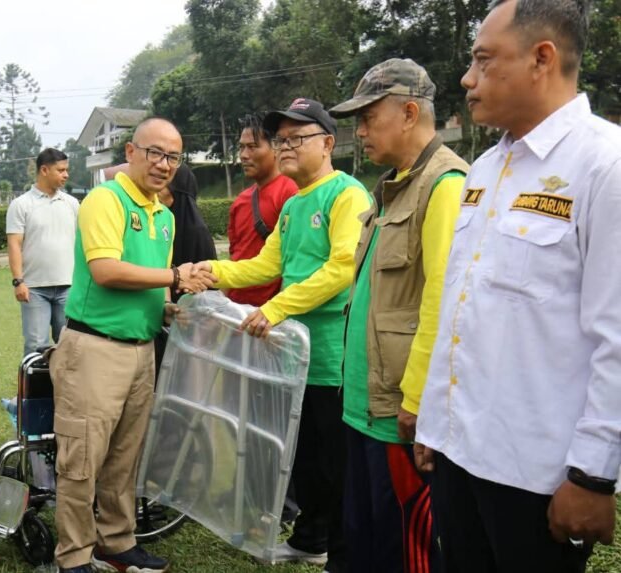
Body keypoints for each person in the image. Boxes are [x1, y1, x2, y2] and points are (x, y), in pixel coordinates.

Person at [414, 1, 621, 572]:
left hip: (536, 474)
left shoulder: (605, 165)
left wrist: (592, 475)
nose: (468, 78)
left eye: (483, 60)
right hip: (459, 453)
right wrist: (436, 421)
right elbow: (462, 304)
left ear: (541, 58)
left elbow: (616, 336)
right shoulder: (485, 169)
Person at [194, 98, 371, 573]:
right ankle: (311, 539)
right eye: (282, 139)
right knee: (305, 455)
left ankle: (339, 549)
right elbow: (265, 265)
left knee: (334, 460)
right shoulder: (293, 205)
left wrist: (276, 308)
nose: (286, 147)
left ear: (328, 143)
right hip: (296, 355)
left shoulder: (347, 194)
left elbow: (343, 268)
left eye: (297, 138)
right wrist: (211, 271)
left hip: (332, 355)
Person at [49, 117, 214, 573]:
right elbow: (106, 270)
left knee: (125, 456)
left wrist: (166, 307)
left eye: (173, 157)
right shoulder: (106, 199)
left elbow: (151, 283)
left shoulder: (164, 216)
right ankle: (74, 555)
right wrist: (176, 276)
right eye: (155, 153)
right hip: (94, 349)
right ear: (130, 152)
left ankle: (116, 541)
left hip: (142, 351)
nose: (164, 165)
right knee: (82, 459)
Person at [329, 59, 468, 573]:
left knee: (402, 547)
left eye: (368, 118)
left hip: (398, 415)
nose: (361, 132)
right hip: (364, 406)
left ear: (409, 113)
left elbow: (444, 301)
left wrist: (417, 399)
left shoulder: (444, 184)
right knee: (363, 537)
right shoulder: (392, 185)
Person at [6, 148, 79, 355]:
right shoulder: (21, 205)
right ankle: (31, 379)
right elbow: (14, 244)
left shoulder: (72, 204)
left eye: (66, 170)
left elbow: (81, 243)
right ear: (44, 170)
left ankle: (62, 380)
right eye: (61, 170)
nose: (66, 175)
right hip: (34, 288)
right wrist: (18, 281)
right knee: (36, 346)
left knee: (68, 345)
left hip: (68, 286)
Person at [226, 112, 297, 306]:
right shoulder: (240, 201)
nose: (244, 155)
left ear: (275, 148)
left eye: (252, 147)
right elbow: (235, 257)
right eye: (241, 147)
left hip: (270, 313)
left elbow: (295, 259)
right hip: (236, 310)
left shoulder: (291, 193)